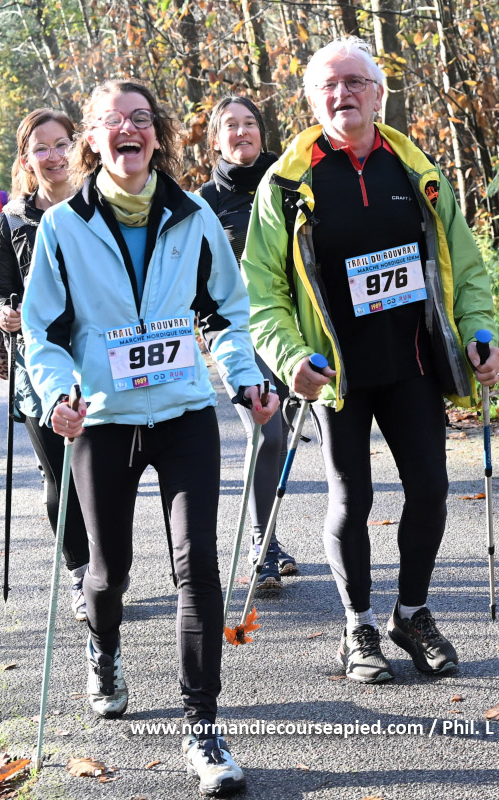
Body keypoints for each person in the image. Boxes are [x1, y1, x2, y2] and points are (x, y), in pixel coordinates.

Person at [22, 79, 279, 796]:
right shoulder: (63, 227)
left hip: (184, 414)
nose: (128, 130)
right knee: (109, 574)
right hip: (103, 421)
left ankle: (203, 726)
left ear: (157, 136)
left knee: (198, 569)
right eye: (113, 121)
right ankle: (103, 648)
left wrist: (243, 380)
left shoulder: (193, 215)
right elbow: (43, 331)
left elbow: (226, 312)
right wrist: (59, 395)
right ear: (94, 139)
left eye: (141, 119)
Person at [242, 37, 499, 685]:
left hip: (412, 362)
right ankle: (357, 625)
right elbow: (263, 293)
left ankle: (410, 615)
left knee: (432, 490)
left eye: (355, 82)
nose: (343, 95)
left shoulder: (416, 170)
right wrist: (289, 356)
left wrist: (479, 329)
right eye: (328, 86)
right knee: (350, 497)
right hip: (338, 372)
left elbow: (465, 265)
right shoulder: (287, 184)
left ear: (379, 93)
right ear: (311, 100)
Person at [0, 109, 90, 621]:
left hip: (99, 356)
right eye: (41, 148)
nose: (53, 156)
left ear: (77, 146)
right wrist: (2, 313)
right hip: (37, 363)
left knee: (103, 471)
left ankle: (107, 566)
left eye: (61, 144)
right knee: (60, 474)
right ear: (27, 159)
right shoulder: (11, 219)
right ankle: (81, 573)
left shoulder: (99, 204)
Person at [200, 95, 297, 590]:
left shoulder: (290, 183)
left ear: (262, 131)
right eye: (230, 126)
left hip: (295, 327)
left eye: (249, 124)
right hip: (239, 332)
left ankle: (270, 535)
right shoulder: (204, 203)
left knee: (283, 434)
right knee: (267, 431)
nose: (241, 132)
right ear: (216, 141)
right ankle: (263, 545)